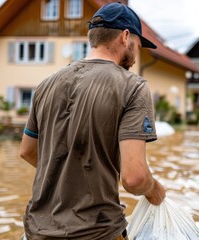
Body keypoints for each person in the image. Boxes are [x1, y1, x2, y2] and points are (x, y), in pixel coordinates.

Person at [19, 3, 166, 239]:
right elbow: (134, 177)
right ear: (125, 36)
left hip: (38, 230)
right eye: (138, 45)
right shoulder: (133, 86)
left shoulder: (46, 85)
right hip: (97, 232)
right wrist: (155, 191)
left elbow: (27, 151)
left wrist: (68, 179)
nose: (137, 54)